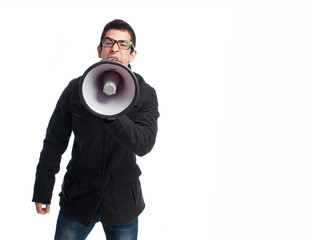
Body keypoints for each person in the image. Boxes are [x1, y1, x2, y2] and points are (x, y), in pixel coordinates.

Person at [32, 19, 159, 240]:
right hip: (78, 199)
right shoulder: (75, 89)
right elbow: (54, 141)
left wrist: (115, 114)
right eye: (109, 42)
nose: (115, 49)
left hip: (122, 203)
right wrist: (43, 188)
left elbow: (144, 144)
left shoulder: (146, 94)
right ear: (100, 50)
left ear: (133, 54)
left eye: (123, 44)